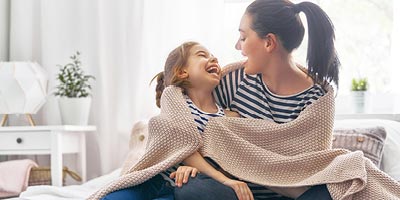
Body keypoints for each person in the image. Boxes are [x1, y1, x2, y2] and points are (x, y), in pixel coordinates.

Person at [174, 0, 339, 199]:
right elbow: (186, 125)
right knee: (192, 189)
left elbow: (313, 169)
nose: (237, 45)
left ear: (268, 42)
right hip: (238, 194)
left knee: (335, 189)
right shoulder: (233, 81)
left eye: (243, 37)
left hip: (294, 196)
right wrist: (189, 164)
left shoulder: (317, 100)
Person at [102, 41, 254, 200]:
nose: (214, 59)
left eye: (213, 56)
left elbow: (232, 161)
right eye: (202, 55)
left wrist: (198, 173)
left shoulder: (229, 117)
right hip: (155, 180)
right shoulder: (175, 100)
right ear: (182, 72)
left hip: (181, 188)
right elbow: (181, 143)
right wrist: (222, 179)